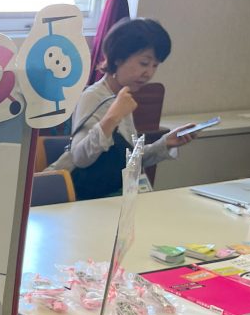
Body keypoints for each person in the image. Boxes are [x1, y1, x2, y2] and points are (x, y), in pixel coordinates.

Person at [50, 18, 198, 199]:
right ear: (118, 58)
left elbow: (129, 161)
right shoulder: (93, 97)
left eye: (155, 65)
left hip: (114, 198)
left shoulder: (122, 95)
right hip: (83, 200)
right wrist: (112, 118)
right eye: (144, 63)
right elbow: (80, 158)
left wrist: (166, 142)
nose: (149, 73)